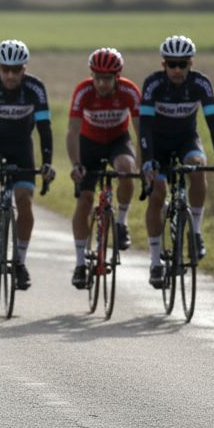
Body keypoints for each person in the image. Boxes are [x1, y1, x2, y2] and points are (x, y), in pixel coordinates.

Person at [139, 34, 214, 289]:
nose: (177, 69)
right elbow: (144, 126)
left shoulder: (201, 83)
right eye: (172, 64)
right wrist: (147, 160)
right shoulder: (153, 85)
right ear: (164, 65)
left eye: (183, 64)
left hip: (186, 140)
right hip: (157, 144)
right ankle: (156, 262)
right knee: (157, 195)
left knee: (198, 167)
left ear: (191, 63)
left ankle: (196, 233)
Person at [0, 39, 55, 291]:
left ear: (24, 69)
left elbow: (44, 130)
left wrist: (47, 163)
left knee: (24, 200)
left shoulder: (35, 88)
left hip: (20, 146)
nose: (10, 75)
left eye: (16, 70)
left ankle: (20, 263)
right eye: (5, 69)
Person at [67, 47, 141, 290]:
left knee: (126, 168)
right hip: (89, 145)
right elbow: (73, 132)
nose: (101, 83)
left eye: (106, 78)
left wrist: (142, 163)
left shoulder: (129, 91)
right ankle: (80, 263)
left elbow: (140, 131)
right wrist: (76, 164)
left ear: (117, 77)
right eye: (96, 77)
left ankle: (120, 222)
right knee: (85, 200)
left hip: (118, 142)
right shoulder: (83, 91)